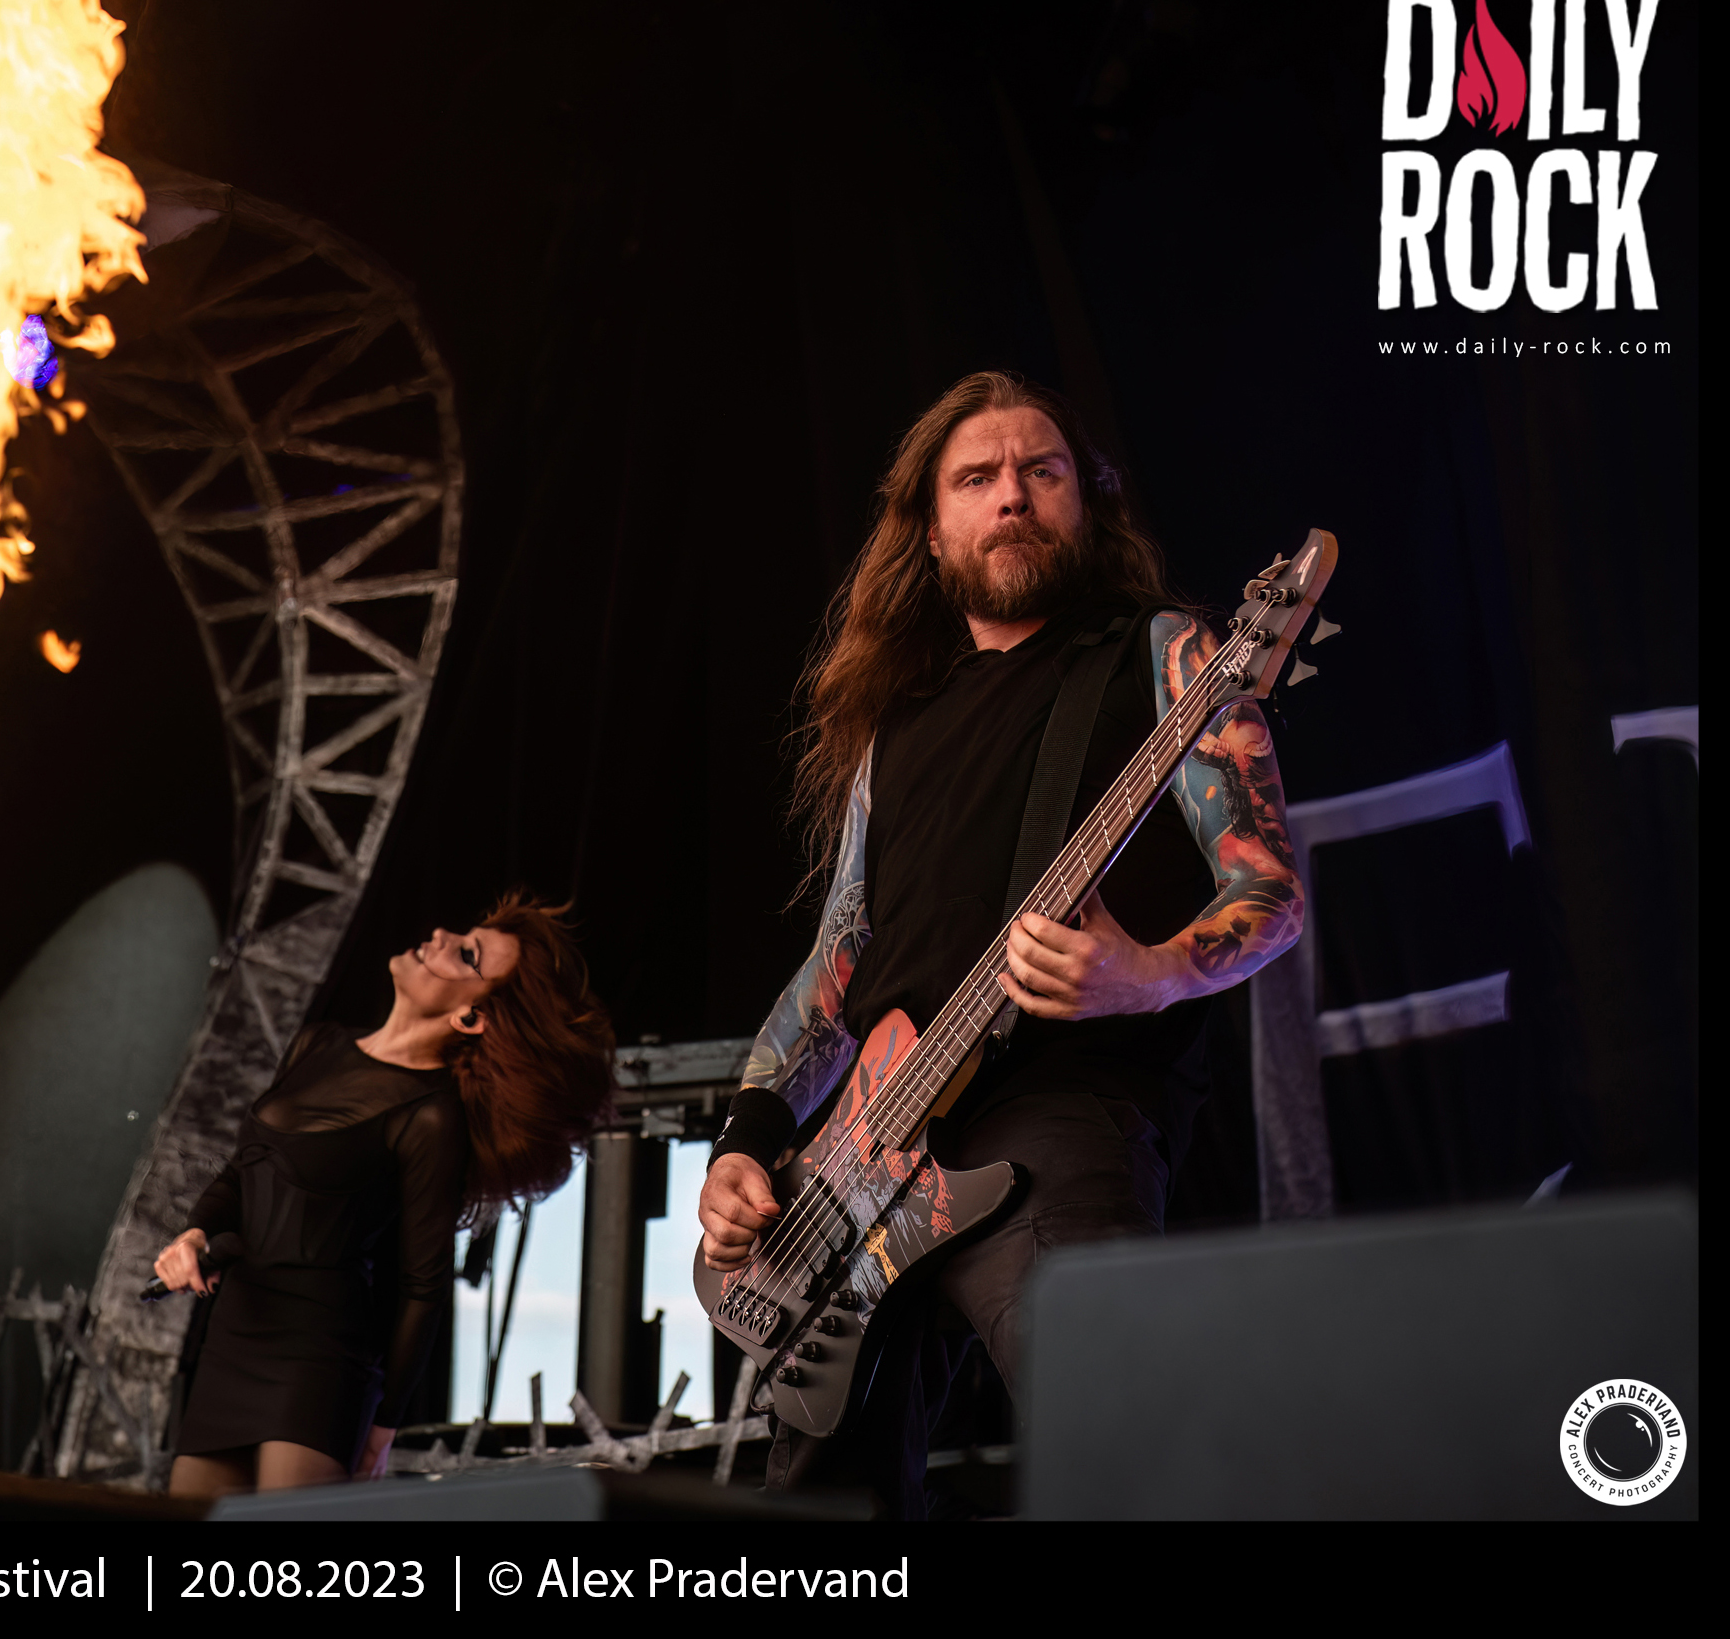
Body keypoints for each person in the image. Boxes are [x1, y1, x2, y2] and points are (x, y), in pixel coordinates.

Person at [698, 371, 1305, 1517]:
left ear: (1086, 498)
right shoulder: (894, 727)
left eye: (1041, 470)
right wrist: (748, 1137)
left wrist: (1145, 974)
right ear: (930, 530)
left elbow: (1268, 890)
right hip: (855, 1169)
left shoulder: (1165, 653)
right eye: (976, 478)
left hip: (1058, 1106)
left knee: (1122, 1435)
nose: (1011, 495)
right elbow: (838, 953)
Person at [158, 893, 615, 1497]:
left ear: (471, 1018)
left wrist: (381, 1428)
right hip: (232, 1337)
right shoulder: (316, 1044)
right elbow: (244, 1171)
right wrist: (194, 1233)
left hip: (320, 1360)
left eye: (467, 955)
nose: (440, 933)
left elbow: (423, 1287)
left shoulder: (431, 1117)